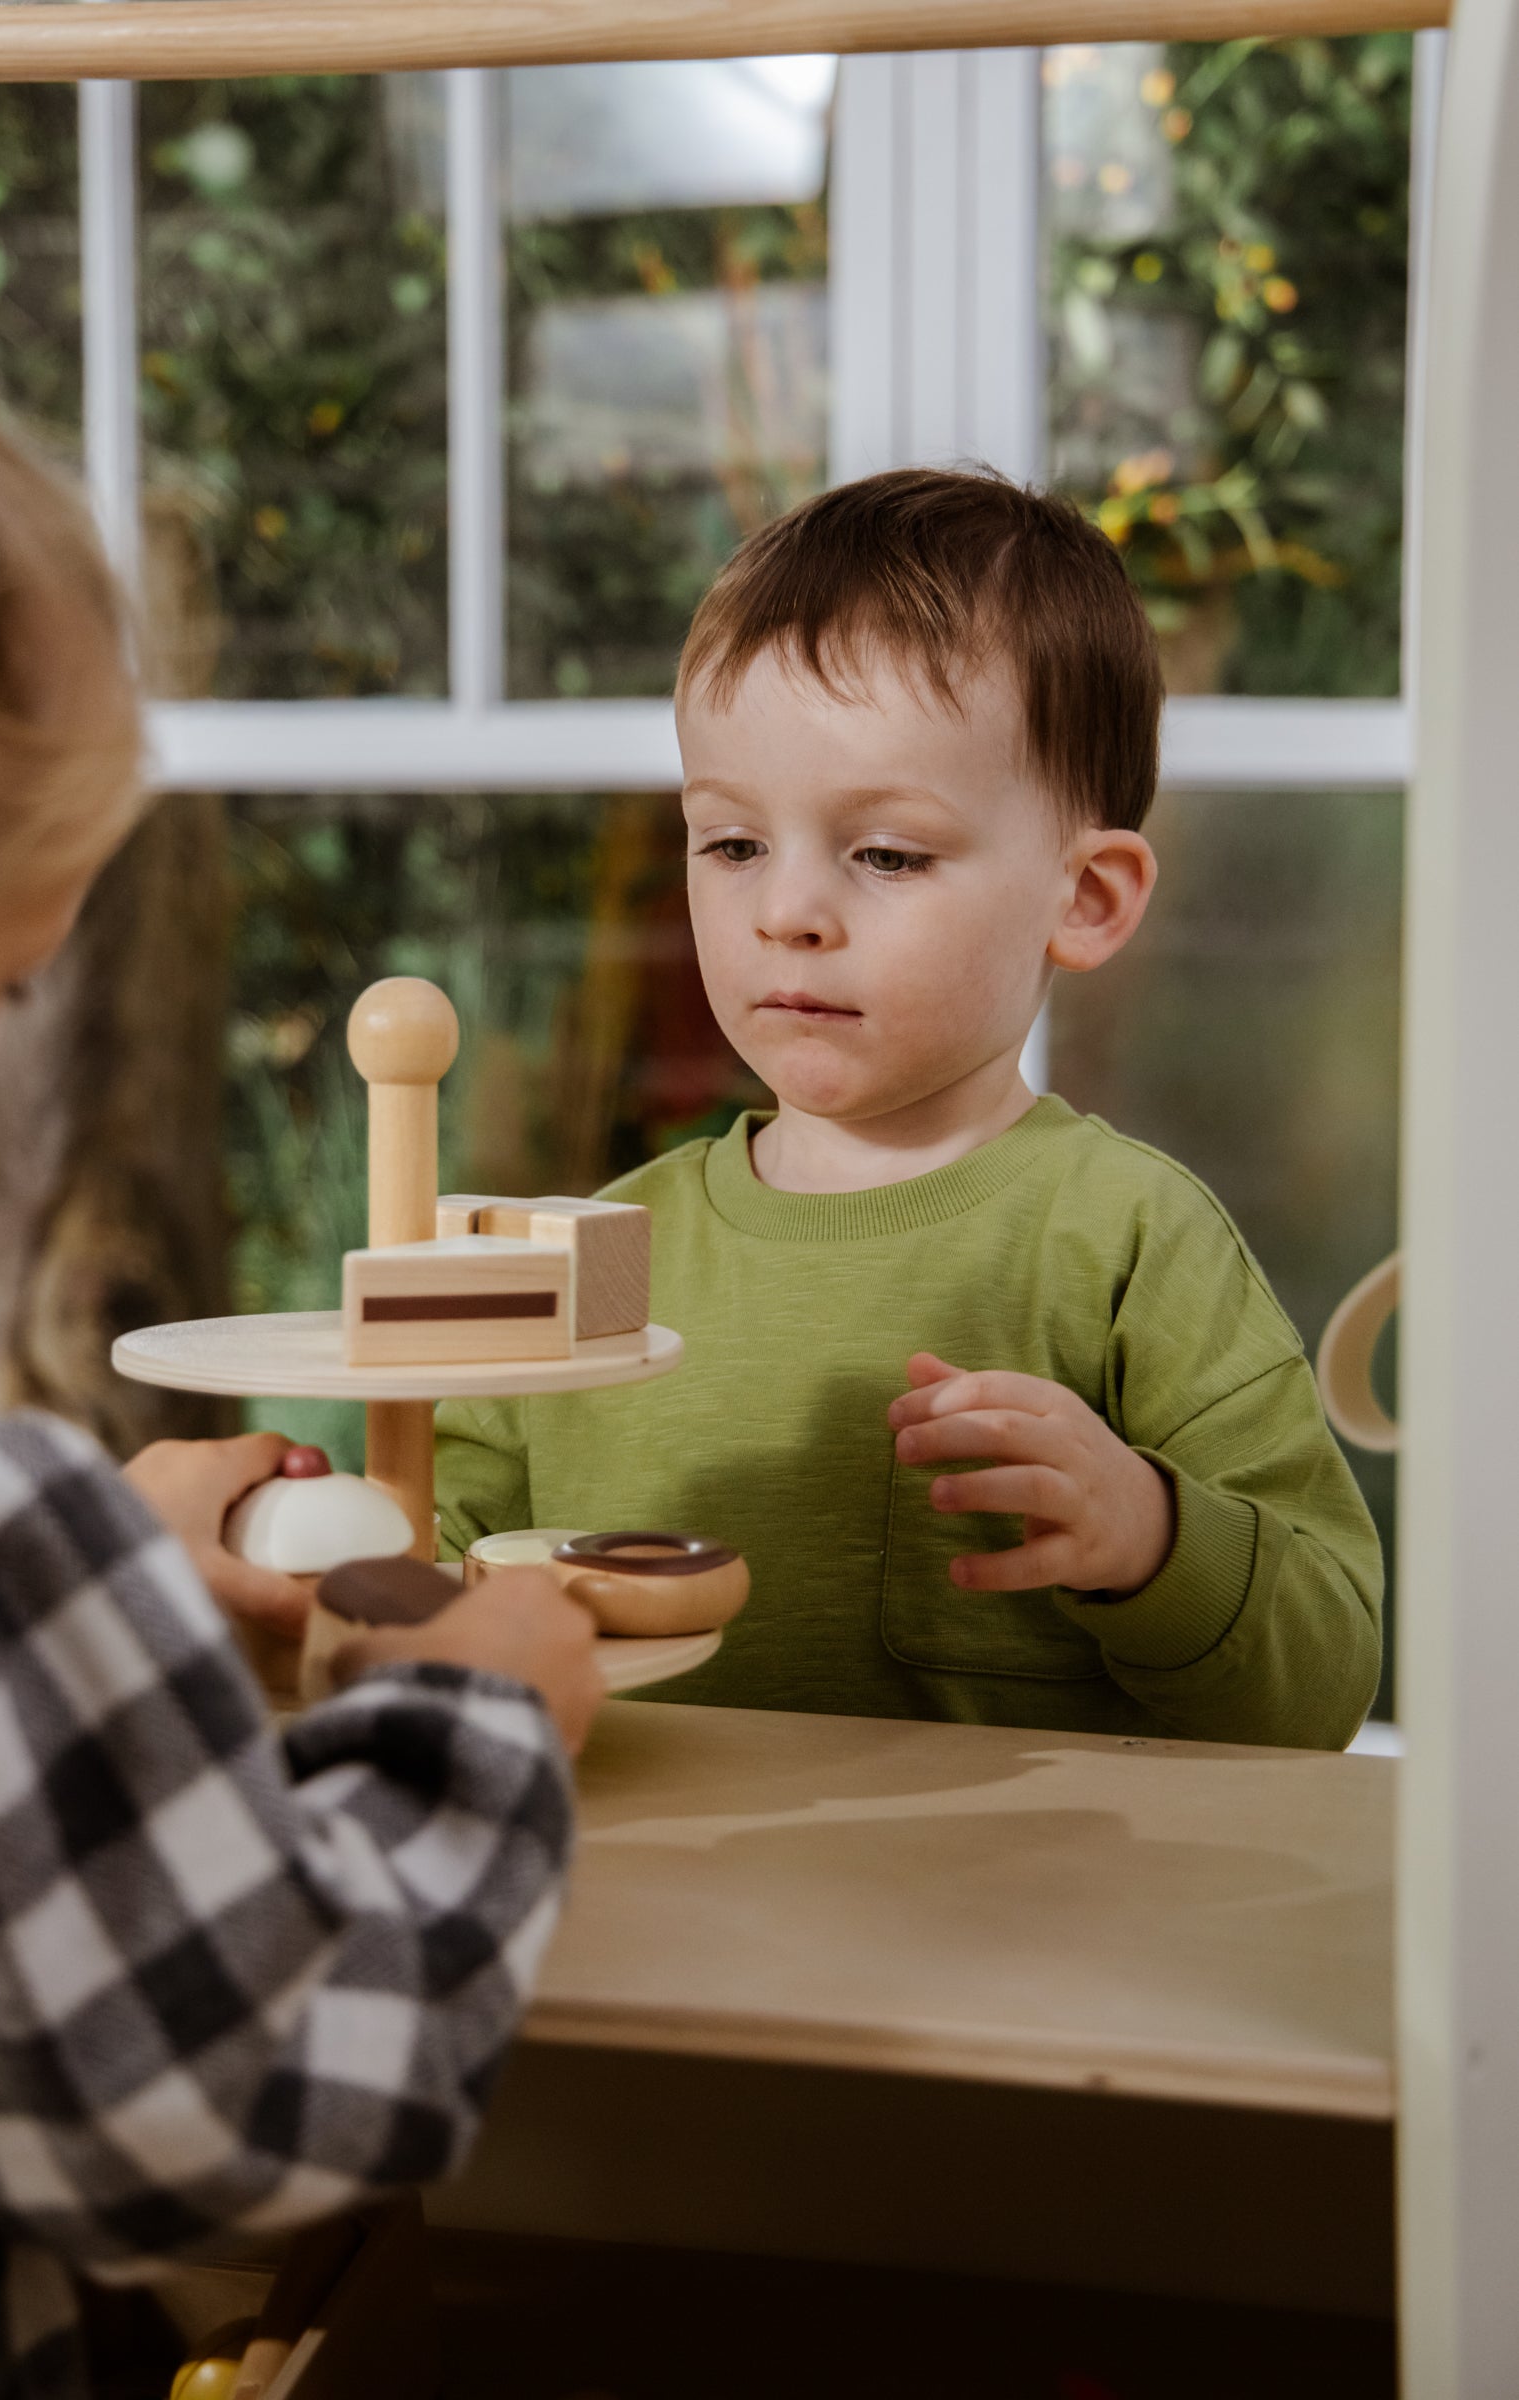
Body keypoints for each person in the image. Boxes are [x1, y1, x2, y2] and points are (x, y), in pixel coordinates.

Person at [0, 327, 600, 2398]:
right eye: (9, 977)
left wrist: (82, 1609)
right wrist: (470, 1722)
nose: (16, 1019)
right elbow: (240, 2092)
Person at [436, 468, 1382, 1749]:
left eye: (885, 853)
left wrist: (1151, 1536)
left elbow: (1324, 1681)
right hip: (632, 1879)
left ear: (1085, 899)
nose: (786, 912)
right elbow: (418, 1571)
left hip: (1014, 1886)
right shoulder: (599, 1256)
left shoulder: (1126, 1242)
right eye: (732, 844)